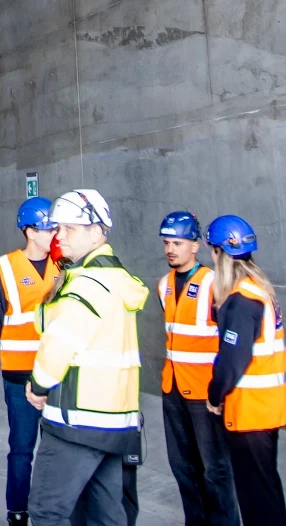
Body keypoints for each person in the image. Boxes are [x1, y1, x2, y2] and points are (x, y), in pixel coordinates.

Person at [24, 189, 147, 526]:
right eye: (58, 228)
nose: (59, 235)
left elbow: (59, 344)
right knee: (106, 516)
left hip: (77, 421)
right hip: (114, 421)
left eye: (69, 229)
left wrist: (37, 384)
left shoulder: (86, 284)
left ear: (96, 231)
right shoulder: (119, 280)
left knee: (48, 511)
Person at [156, 211, 237, 526]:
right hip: (172, 389)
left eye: (177, 242)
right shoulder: (163, 285)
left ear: (196, 245)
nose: (170, 249)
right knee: (183, 467)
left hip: (205, 394)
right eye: (166, 242)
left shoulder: (214, 283)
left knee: (215, 470)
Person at [0, 197, 63, 526]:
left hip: (58, 372)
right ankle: (17, 511)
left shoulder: (65, 268)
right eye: (49, 229)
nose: (55, 234)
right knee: (21, 446)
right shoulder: (4, 268)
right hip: (20, 375)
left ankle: (51, 509)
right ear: (30, 231)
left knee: (56, 447)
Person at [204, 214, 286, 522]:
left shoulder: (241, 300)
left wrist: (214, 395)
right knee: (266, 487)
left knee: (256, 497)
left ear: (220, 253)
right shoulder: (259, 289)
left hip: (251, 412)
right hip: (265, 409)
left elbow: (231, 361)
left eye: (212, 250)